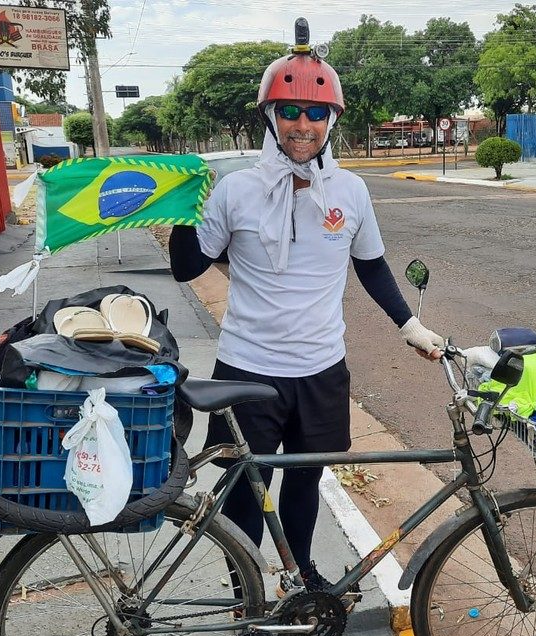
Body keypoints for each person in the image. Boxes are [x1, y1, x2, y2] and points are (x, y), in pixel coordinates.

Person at [169, 30, 443, 592]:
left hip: (321, 367)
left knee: (304, 480)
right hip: (247, 367)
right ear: (271, 116)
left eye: (316, 113)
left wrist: (410, 326)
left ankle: (300, 574)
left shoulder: (351, 192)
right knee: (245, 491)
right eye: (290, 111)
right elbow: (188, 268)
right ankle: (246, 596)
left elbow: (370, 266)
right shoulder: (234, 191)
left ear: (331, 122)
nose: (303, 125)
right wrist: (180, 210)